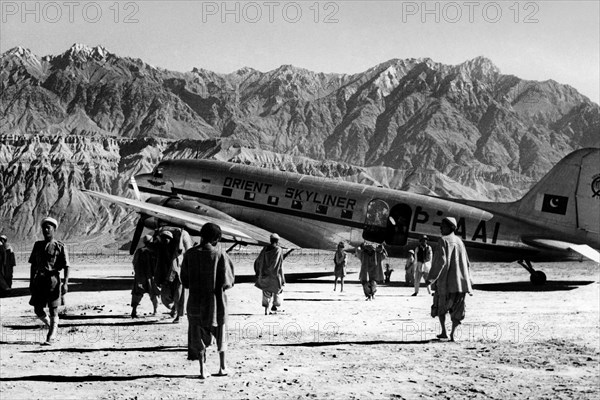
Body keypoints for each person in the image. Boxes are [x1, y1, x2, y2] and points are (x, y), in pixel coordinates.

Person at [181, 223, 235, 379]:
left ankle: (202, 369)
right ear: (217, 239)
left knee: (198, 336)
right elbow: (228, 282)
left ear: (201, 235)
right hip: (216, 303)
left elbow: (184, 281)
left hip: (195, 303)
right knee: (221, 334)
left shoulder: (189, 255)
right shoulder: (220, 255)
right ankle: (222, 367)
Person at [427, 217, 473, 342]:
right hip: (460, 283)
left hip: (446, 282)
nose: (440, 228)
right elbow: (467, 262)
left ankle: (443, 332)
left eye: (443, 226)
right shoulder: (460, 241)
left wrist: (431, 278)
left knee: (441, 307)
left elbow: (440, 262)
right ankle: (453, 334)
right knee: (458, 309)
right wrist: (469, 281)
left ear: (450, 227)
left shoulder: (443, 241)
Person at [28, 217, 69, 345]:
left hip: (53, 280)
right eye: (44, 227)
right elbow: (33, 265)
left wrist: (66, 283)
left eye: (48, 227)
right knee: (38, 309)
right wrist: (31, 281)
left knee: (53, 309)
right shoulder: (37, 245)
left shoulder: (60, 246)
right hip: (39, 280)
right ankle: (53, 325)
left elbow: (67, 265)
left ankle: (51, 335)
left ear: (54, 229)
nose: (46, 230)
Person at [156, 228, 193, 323]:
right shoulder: (162, 251)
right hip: (167, 277)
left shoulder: (178, 250)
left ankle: (179, 316)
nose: (165, 240)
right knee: (165, 297)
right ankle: (174, 308)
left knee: (180, 296)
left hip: (178, 276)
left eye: (167, 238)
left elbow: (181, 249)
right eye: (163, 238)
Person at [254, 233, 286, 315]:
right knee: (278, 290)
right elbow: (280, 264)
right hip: (275, 275)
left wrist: (258, 272)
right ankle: (275, 306)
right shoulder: (279, 250)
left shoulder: (265, 249)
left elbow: (258, 261)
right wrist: (282, 277)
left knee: (266, 292)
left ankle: (266, 309)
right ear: (277, 241)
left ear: (270, 240)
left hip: (265, 274)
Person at [131, 235, 160, 318]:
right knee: (154, 294)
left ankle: (134, 311)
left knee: (137, 293)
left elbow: (134, 262)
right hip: (151, 276)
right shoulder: (154, 252)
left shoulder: (139, 251)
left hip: (140, 277)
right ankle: (155, 311)